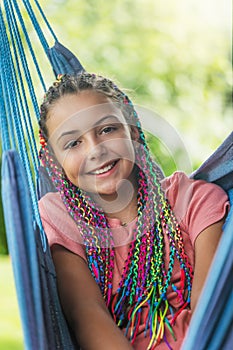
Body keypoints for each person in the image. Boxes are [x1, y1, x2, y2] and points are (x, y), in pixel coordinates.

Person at [38, 72, 229, 350]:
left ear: (133, 130)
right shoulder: (61, 218)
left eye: (107, 130)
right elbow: (87, 313)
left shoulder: (192, 200)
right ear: (54, 162)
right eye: (73, 143)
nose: (96, 150)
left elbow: (212, 308)